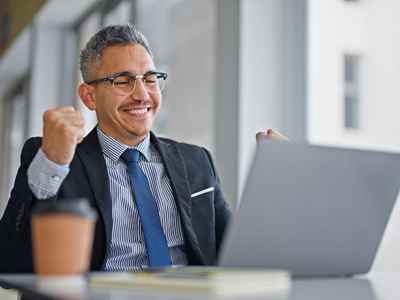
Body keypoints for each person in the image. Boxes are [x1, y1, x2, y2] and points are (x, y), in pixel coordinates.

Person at [0, 23, 286, 273]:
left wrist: (276, 191)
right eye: (123, 82)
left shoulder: (197, 161)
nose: (142, 95)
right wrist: (53, 163)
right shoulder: (55, 157)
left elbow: (236, 258)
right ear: (89, 96)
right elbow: (11, 263)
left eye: (150, 80)